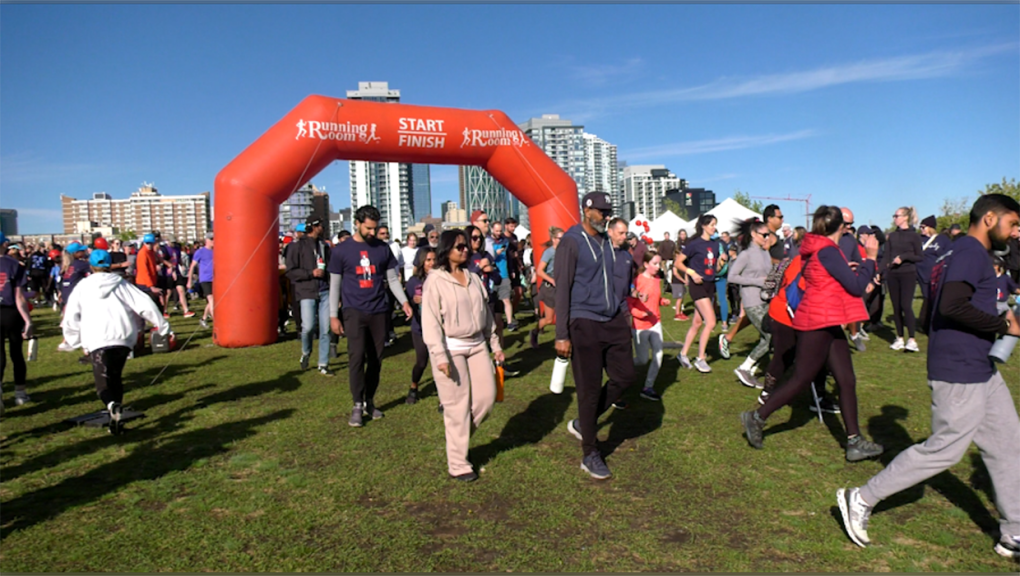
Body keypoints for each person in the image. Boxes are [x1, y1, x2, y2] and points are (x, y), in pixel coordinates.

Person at [837, 194, 1020, 559]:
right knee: (945, 450)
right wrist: (1002, 323)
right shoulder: (968, 252)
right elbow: (952, 306)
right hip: (959, 371)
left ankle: (1014, 532)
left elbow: (929, 315)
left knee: (1008, 444)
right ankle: (860, 497)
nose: (1016, 232)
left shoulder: (955, 252)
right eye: (1012, 224)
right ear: (988, 219)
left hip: (978, 366)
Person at [740, 206, 883, 462]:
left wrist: (846, 270)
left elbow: (823, 277)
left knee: (846, 379)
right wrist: (870, 259)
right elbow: (856, 287)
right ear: (843, 228)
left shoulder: (819, 248)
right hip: (818, 320)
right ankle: (756, 417)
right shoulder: (828, 250)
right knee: (801, 378)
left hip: (828, 319)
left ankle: (854, 441)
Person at [555, 192, 635, 480]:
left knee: (625, 376)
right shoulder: (571, 242)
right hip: (583, 320)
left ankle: (583, 423)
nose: (605, 216)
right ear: (586, 210)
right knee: (588, 390)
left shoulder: (606, 242)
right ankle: (590, 452)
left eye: (608, 211)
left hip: (612, 319)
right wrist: (561, 333)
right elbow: (561, 288)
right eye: (601, 211)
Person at [421, 230, 504, 482]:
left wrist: (495, 344)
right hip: (450, 348)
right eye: (459, 246)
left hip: (478, 345)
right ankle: (458, 463)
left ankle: (458, 440)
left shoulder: (474, 277)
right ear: (446, 250)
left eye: (466, 246)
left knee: (486, 399)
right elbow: (431, 322)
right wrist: (439, 355)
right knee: (457, 407)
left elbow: (486, 315)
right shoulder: (435, 280)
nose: (465, 250)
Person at [60, 249, 170, 434]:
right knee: (116, 376)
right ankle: (116, 421)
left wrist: (71, 340)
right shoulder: (121, 284)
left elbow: (71, 315)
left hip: (97, 338)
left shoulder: (83, 286)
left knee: (102, 381)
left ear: (91, 266)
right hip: (123, 337)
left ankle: (111, 405)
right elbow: (145, 304)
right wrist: (162, 326)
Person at [328, 205, 412, 427]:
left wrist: (404, 301)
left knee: (376, 359)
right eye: (368, 228)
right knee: (356, 358)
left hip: (379, 311)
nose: (372, 233)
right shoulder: (341, 250)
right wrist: (333, 316)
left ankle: (369, 400)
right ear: (356, 223)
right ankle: (357, 404)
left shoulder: (383, 249)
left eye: (375, 229)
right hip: (353, 311)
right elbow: (334, 285)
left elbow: (392, 279)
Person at [725, 219, 774, 388]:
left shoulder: (765, 252)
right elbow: (732, 277)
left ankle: (751, 370)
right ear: (754, 234)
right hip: (752, 301)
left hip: (766, 299)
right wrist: (756, 281)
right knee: (770, 336)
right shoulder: (745, 254)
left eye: (769, 234)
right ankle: (744, 367)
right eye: (764, 235)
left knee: (769, 336)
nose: (767, 238)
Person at [676, 214, 725, 373]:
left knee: (697, 323)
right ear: (703, 226)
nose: (714, 227)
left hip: (710, 285)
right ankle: (701, 358)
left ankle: (683, 354)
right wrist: (691, 273)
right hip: (698, 286)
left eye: (715, 224)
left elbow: (714, 269)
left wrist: (722, 261)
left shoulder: (715, 244)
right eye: (711, 224)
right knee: (710, 322)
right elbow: (678, 263)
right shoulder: (694, 244)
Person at [286, 216, 334, 376]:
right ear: (314, 227)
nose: (323, 227)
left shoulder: (324, 246)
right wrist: (310, 273)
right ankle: (306, 352)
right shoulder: (296, 247)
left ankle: (323, 363)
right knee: (308, 327)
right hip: (306, 291)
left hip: (325, 290)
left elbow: (331, 267)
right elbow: (290, 271)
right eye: (321, 225)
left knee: (325, 329)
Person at [628, 250, 670, 402]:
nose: (658, 267)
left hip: (656, 324)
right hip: (640, 326)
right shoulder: (638, 281)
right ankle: (621, 367)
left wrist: (662, 301)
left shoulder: (657, 279)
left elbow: (654, 298)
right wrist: (640, 314)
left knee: (658, 356)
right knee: (642, 360)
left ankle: (648, 387)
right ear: (646, 264)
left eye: (659, 263)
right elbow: (629, 303)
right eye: (655, 263)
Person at [881, 206, 924, 352]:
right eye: (894, 216)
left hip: (908, 274)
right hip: (893, 275)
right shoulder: (891, 236)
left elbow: (919, 256)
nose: (894, 218)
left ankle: (912, 339)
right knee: (896, 307)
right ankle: (899, 337)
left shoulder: (914, 236)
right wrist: (879, 272)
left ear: (905, 217)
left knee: (906, 305)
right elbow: (886, 256)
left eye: (897, 215)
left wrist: (904, 258)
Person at [0, 232, 34, 412]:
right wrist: (28, 321)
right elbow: (19, 297)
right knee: (16, 353)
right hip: (11, 312)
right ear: (4, 245)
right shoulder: (14, 264)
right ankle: (20, 393)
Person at [405, 246, 435, 405]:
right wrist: (413, 302)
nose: (431, 263)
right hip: (420, 328)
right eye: (428, 260)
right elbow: (407, 303)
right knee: (422, 362)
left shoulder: (440, 278)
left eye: (434, 260)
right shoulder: (414, 282)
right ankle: (414, 386)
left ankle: (444, 399)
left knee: (440, 363)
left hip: (438, 328)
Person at [530, 227, 563, 349]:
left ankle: (564, 340)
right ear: (554, 239)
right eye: (560, 238)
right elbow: (539, 271)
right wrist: (552, 281)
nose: (563, 240)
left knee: (565, 315)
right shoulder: (549, 252)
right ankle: (534, 332)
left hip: (561, 288)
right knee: (549, 320)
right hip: (550, 288)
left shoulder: (564, 251)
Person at [917, 215, 951, 329]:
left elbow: (949, 254)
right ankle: (927, 322)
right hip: (921, 274)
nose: (921, 229)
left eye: (923, 227)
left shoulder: (942, 240)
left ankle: (931, 321)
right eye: (920, 227)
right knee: (927, 297)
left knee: (935, 298)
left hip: (937, 275)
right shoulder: (918, 239)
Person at [377, 225, 403, 346]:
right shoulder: (376, 248)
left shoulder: (394, 246)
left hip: (393, 281)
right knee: (383, 310)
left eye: (386, 233)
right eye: (382, 233)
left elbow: (399, 263)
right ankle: (384, 336)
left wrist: (400, 276)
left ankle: (389, 332)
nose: (385, 236)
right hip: (380, 282)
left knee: (390, 309)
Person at [490, 221, 517, 331]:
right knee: (492, 303)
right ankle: (492, 324)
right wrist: (496, 253)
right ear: (492, 230)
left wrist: (512, 270)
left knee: (506, 299)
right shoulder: (488, 242)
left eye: (500, 231)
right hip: (492, 274)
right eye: (496, 231)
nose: (499, 233)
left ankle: (510, 322)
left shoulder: (505, 241)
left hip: (504, 274)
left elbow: (509, 257)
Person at [187, 232, 214, 328]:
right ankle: (218, 323)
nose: (214, 241)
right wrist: (189, 280)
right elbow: (192, 266)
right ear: (207, 240)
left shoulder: (216, 251)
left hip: (215, 279)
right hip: (205, 279)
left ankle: (203, 319)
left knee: (211, 301)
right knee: (212, 299)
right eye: (212, 239)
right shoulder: (200, 252)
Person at [672, 229, 690, 321]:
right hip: (677, 282)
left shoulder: (682, 263)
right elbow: (675, 273)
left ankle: (680, 312)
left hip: (681, 282)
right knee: (679, 298)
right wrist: (683, 280)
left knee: (682, 297)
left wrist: (686, 279)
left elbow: (685, 272)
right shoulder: (675, 263)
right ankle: (677, 314)